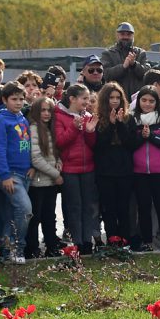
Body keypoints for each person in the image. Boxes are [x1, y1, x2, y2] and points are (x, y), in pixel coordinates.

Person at [126, 86, 160, 251]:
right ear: (138, 102)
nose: (147, 104)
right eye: (144, 100)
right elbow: (129, 144)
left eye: (151, 101)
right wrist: (142, 137)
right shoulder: (131, 119)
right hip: (139, 172)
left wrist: (151, 136)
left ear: (156, 103)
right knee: (143, 207)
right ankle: (146, 241)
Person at [0, 82, 32, 262]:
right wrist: (4, 175)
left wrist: (31, 165)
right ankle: (18, 248)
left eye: (21, 99)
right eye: (14, 99)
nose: (18, 102)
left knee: (10, 214)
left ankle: (7, 251)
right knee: (25, 209)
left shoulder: (23, 118)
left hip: (25, 173)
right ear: (5, 100)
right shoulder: (1, 119)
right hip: (10, 174)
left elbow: (27, 144)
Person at [55, 84, 99, 254]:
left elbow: (92, 144)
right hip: (69, 168)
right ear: (72, 99)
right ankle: (77, 242)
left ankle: (87, 241)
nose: (87, 102)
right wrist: (74, 127)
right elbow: (60, 141)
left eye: (88, 99)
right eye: (84, 98)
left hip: (88, 167)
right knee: (74, 206)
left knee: (88, 206)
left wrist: (89, 132)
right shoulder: (59, 116)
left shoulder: (88, 116)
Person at [93, 83, 134, 243]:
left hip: (124, 170)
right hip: (105, 172)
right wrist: (110, 124)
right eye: (111, 98)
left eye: (118, 98)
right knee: (108, 209)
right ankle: (112, 239)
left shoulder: (128, 118)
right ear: (105, 99)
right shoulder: (97, 118)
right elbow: (98, 145)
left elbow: (130, 143)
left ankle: (125, 240)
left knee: (124, 208)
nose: (115, 101)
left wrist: (120, 124)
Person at [25, 96, 63, 258]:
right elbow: (36, 158)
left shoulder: (49, 128)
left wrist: (59, 162)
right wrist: (56, 174)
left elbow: (54, 153)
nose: (47, 114)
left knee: (49, 216)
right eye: (43, 110)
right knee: (35, 218)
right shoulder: (34, 128)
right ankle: (32, 249)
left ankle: (51, 246)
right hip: (38, 182)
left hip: (50, 182)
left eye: (49, 110)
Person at [101, 22, 149, 100]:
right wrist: (123, 67)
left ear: (133, 36)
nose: (126, 37)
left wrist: (134, 64)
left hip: (137, 100)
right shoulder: (108, 53)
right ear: (117, 35)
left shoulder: (141, 53)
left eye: (128, 34)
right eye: (123, 34)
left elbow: (147, 74)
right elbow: (106, 74)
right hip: (116, 99)